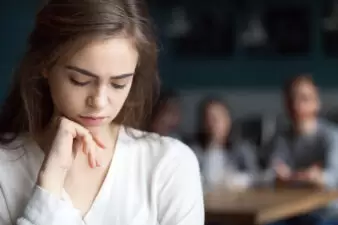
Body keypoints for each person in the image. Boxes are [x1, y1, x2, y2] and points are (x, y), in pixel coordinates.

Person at [0, 1, 204, 225]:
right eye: (80, 80)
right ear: (45, 66)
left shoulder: (169, 164)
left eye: (118, 84)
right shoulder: (5, 167)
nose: (99, 102)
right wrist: (51, 180)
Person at [267, 75, 338, 225]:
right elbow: (274, 174)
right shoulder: (282, 137)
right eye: (292, 99)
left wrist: (292, 177)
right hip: (289, 210)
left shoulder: (331, 136)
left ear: (316, 103)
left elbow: (331, 178)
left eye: (304, 99)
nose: (297, 105)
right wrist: (307, 176)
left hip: (325, 212)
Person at [191, 97, 258, 192]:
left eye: (217, 119)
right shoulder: (194, 152)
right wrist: (213, 147)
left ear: (228, 120)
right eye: (208, 119)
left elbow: (256, 177)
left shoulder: (241, 149)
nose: (213, 124)